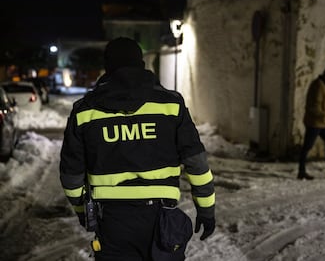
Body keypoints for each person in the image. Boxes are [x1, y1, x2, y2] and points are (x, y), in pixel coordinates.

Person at [59, 37, 216, 260]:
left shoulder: (85, 111)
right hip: (163, 219)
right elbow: (196, 162)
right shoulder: (170, 104)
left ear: (107, 67)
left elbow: (71, 175)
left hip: (112, 220)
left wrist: (84, 213)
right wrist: (206, 209)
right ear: (141, 64)